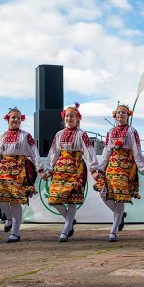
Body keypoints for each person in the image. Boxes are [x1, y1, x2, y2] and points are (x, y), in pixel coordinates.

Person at [0, 107, 45, 243]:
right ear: (8, 119)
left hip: (19, 170)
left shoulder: (26, 136)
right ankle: (9, 217)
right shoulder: (1, 137)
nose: (16, 120)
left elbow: (34, 153)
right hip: (4, 169)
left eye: (18, 118)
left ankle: (15, 233)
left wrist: (40, 169)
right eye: (13, 117)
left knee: (15, 201)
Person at [43, 103, 100, 242]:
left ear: (77, 118)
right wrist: (49, 169)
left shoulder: (82, 134)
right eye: (67, 116)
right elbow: (53, 153)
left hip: (76, 169)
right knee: (55, 199)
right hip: (61, 169)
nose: (69, 118)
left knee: (72, 200)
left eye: (72, 116)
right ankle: (70, 221)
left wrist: (93, 169)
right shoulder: (59, 134)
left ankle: (65, 229)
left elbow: (89, 152)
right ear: (64, 118)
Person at [94, 102, 144, 242]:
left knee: (119, 197)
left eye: (123, 112)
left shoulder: (132, 131)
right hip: (112, 166)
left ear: (128, 115)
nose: (120, 115)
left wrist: (143, 168)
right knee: (103, 193)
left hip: (125, 166)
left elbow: (137, 151)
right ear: (115, 115)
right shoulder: (110, 132)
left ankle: (113, 231)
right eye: (118, 112)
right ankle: (120, 215)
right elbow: (106, 151)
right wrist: (101, 167)